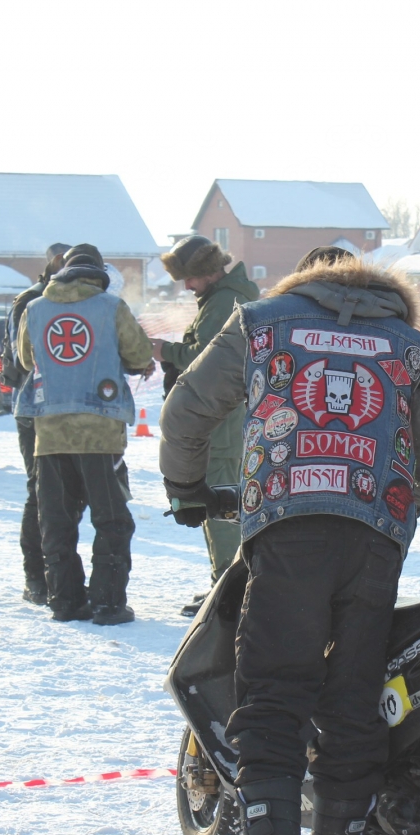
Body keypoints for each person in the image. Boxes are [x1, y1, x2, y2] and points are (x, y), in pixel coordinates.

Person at [158, 248, 420, 835]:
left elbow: (186, 409)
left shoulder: (262, 323)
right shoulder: (408, 343)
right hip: (374, 531)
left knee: (273, 685)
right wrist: (405, 498)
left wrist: (186, 488)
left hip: (286, 526)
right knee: (353, 691)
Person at [16, 244, 154, 624]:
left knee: (57, 521)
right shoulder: (111, 307)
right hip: (100, 435)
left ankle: (64, 601)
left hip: (49, 433)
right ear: (98, 274)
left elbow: (27, 360)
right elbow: (139, 354)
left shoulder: (35, 309)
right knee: (112, 520)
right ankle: (108, 604)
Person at [152, 235, 260, 617]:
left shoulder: (221, 303)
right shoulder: (226, 296)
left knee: (218, 504)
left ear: (210, 271)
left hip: (219, 420)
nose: (187, 286)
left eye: (191, 278)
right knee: (223, 502)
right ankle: (229, 585)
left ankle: (228, 590)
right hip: (226, 417)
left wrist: (165, 351)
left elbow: (204, 359)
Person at [0, 243, 71, 605]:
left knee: (64, 494)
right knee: (41, 492)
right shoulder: (31, 301)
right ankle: (37, 576)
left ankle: (56, 575)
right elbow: (22, 357)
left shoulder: (76, 299)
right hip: (34, 409)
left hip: (65, 409)